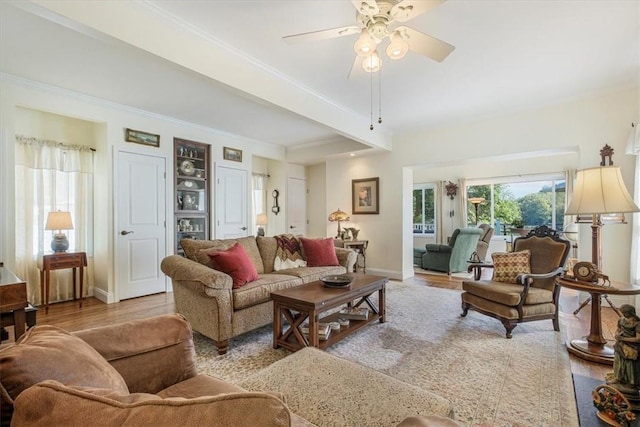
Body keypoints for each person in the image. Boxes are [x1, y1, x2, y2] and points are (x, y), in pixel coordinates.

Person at [611, 304, 640, 388]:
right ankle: (618, 377)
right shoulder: (621, 320)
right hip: (620, 344)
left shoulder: (637, 324)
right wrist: (617, 335)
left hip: (632, 347)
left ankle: (631, 382)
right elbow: (618, 330)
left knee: (630, 365)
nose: (623, 314)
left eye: (624, 313)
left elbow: (638, 339)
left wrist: (623, 339)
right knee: (618, 361)